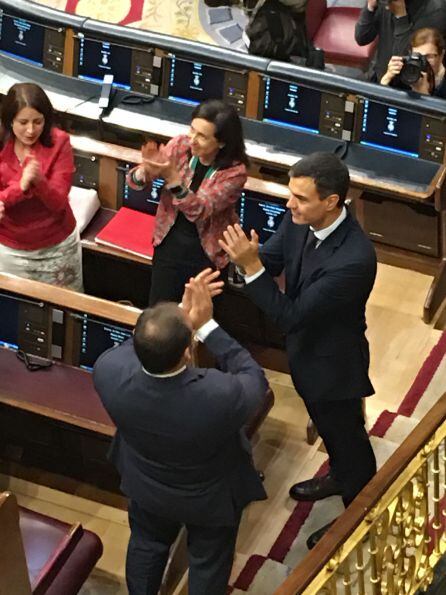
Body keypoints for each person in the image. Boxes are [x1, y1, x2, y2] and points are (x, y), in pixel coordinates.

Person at [219, 152, 377, 549]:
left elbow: (290, 315)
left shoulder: (353, 260)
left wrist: (251, 269)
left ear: (332, 201)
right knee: (331, 433)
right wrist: (246, 266)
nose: (289, 204)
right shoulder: (298, 221)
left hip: (335, 368)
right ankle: (339, 477)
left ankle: (361, 517)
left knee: (349, 441)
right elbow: (269, 260)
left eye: (300, 198)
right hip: (306, 356)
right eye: (291, 195)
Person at [93, 269, 268, 595]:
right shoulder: (218, 395)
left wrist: (175, 325)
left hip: (146, 484)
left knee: (146, 544)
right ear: (188, 352)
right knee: (208, 560)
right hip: (209, 498)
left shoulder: (108, 372)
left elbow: (146, 345)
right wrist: (206, 326)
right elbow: (254, 378)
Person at [127, 99, 249, 306]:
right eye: (192, 130)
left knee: (196, 316)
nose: (192, 139)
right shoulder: (180, 144)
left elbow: (199, 210)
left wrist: (174, 180)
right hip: (168, 240)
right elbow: (134, 182)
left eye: (202, 136)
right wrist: (146, 171)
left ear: (222, 142)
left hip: (206, 252)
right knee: (160, 309)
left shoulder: (235, 173)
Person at [0, 83, 82, 290]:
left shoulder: (59, 142)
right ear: (10, 121)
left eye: (38, 122)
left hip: (57, 247)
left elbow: (58, 203)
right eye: (23, 122)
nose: (31, 130)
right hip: (10, 248)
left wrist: (38, 181)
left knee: (65, 314)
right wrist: (21, 186)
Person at [355, 0, 446, 82]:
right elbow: (362, 38)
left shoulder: (436, 10)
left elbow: (405, 57)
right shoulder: (386, 2)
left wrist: (400, 17)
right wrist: (370, 7)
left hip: (413, 85)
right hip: (381, 76)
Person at [380, 27, 446, 97]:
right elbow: (381, 101)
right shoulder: (405, 73)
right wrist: (387, 78)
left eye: (428, 56)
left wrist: (423, 94)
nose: (423, 61)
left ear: (441, 55)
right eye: (418, 56)